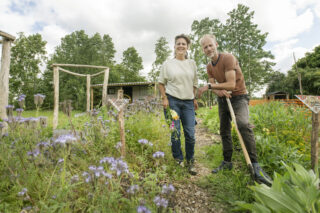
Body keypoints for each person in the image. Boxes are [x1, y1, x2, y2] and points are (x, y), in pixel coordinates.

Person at [197, 34, 271, 185]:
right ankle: (227, 162)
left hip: (239, 96)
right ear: (203, 50)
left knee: (243, 124)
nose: (208, 48)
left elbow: (231, 84)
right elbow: (215, 87)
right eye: (205, 47)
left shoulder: (228, 58)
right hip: (223, 99)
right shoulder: (209, 67)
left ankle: (255, 166)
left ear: (216, 44)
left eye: (210, 45)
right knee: (224, 130)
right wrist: (218, 91)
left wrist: (210, 87)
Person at [158, 34, 198, 175]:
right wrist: (164, 98)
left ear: (187, 47)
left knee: (190, 134)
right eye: (178, 43)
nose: (181, 46)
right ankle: (178, 159)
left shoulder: (192, 63)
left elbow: (194, 84)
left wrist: (193, 99)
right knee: (175, 133)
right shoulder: (167, 64)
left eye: (184, 44)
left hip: (188, 103)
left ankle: (190, 160)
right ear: (174, 46)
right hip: (172, 101)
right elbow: (161, 83)